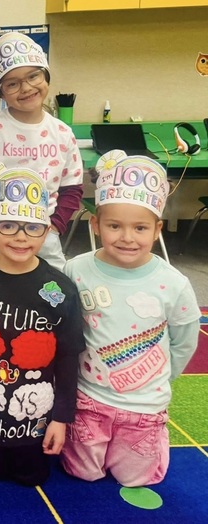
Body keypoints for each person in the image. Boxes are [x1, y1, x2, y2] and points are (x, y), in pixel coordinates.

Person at [60, 151, 200, 487]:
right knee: (82, 473)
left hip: (144, 405)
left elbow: (184, 342)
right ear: (96, 225)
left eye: (140, 227)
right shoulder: (76, 268)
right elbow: (61, 322)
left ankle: (153, 441)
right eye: (114, 226)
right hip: (89, 399)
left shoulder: (174, 284)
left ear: (157, 229)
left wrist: (160, 380)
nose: (127, 237)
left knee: (137, 479)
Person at [0, 165, 85, 486]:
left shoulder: (60, 290)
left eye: (32, 227)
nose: (20, 236)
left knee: (31, 479)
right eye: (9, 225)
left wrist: (61, 418)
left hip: (33, 419)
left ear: (48, 230)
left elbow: (70, 357)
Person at [0, 31, 83, 270]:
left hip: (43, 231)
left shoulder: (62, 132)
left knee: (51, 287)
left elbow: (72, 185)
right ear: (1, 92)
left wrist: (57, 224)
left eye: (33, 76)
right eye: (12, 83)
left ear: (46, 77)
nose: (26, 88)